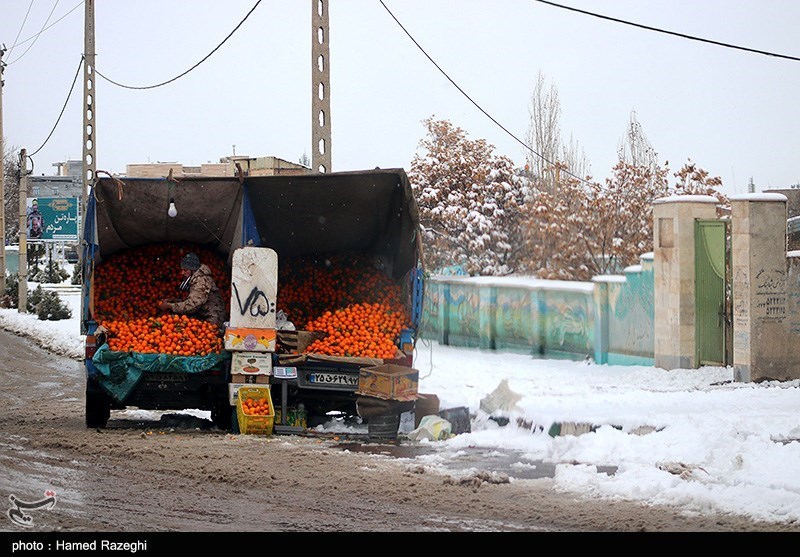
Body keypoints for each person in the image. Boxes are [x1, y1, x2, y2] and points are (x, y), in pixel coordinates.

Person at [159, 252, 226, 330]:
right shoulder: (196, 278)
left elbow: (192, 305)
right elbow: (194, 299)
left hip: (213, 319)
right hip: (203, 314)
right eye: (182, 270)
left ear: (192, 270)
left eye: (185, 270)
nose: (182, 273)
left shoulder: (201, 281)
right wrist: (173, 301)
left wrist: (170, 306)